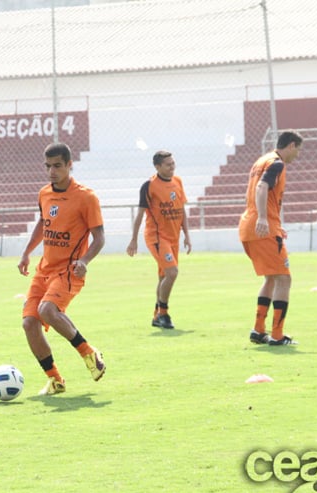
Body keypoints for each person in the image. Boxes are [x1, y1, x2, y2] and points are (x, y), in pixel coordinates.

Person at [18, 142, 106, 395]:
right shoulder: (44, 193)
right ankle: (55, 379)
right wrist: (26, 252)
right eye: (48, 166)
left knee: (47, 310)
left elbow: (99, 237)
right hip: (44, 269)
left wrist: (85, 261)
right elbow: (43, 223)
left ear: (69, 165)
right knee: (29, 324)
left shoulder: (86, 197)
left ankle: (89, 354)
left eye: (57, 166)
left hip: (69, 271)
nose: (51, 171)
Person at [239, 130, 303, 346]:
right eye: (298, 150)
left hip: (249, 225)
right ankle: (277, 335)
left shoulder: (262, 160)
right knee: (284, 278)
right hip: (261, 226)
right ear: (291, 146)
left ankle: (258, 330)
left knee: (272, 278)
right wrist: (265, 219)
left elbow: (256, 191)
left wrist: (272, 221)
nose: (297, 156)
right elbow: (261, 187)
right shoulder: (277, 163)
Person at [126, 150, 192, 329]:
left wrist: (186, 234)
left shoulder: (178, 182)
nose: (172, 167)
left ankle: (157, 316)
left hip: (173, 237)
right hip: (157, 237)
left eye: (173, 163)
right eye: (168, 164)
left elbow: (181, 210)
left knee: (164, 276)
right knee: (172, 273)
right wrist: (133, 239)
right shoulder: (149, 186)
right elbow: (140, 214)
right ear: (158, 167)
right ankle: (164, 313)